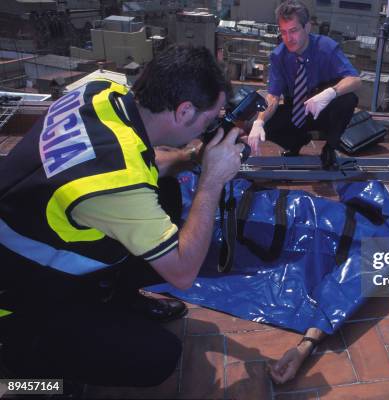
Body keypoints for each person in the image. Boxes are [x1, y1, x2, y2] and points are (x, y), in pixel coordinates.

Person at [0, 45, 244, 387]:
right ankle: (24, 365)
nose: (213, 124)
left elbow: (130, 161)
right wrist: (212, 181)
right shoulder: (115, 186)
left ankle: (114, 300)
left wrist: (191, 158)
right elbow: (183, 272)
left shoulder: (101, 92)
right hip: (20, 300)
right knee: (157, 357)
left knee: (166, 191)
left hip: (28, 240)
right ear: (184, 110)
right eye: (210, 117)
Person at [247, 0, 361, 170]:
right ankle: (296, 141)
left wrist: (329, 93)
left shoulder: (326, 47)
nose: (288, 39)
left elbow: (355, 80)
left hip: (323, 108)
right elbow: (273, 96)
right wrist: (259, 122)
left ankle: (330, 148)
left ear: (307, 28)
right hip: (296, 109)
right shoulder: (279, 56)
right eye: (283, 32)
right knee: (264, 123)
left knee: (348, 99)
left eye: (293, 31)